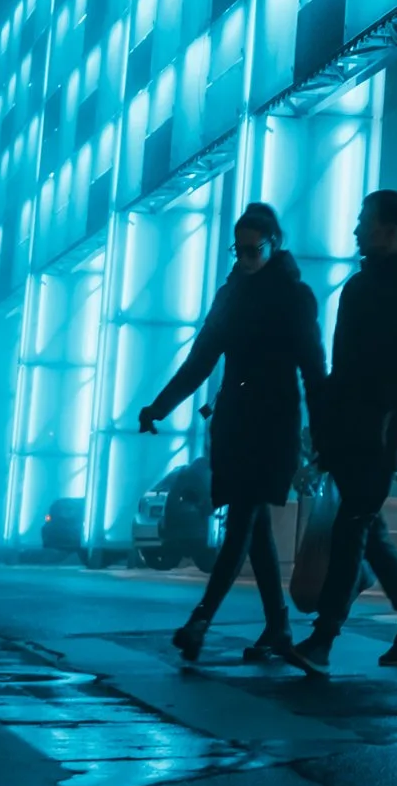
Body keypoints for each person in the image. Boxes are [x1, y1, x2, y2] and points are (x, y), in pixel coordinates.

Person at [140, 201, 327, 664]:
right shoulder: (232, 296)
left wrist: (323, 428)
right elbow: (200, 360)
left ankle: (200, 620)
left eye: (252, 249)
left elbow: (312, 367)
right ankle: (279, 627)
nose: (243, 258)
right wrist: (158, 407)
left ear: (273, 244)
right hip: (237, 425)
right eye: (237, 250)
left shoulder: (292, 297)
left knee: (243, 519)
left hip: (270, 426)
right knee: (253, 526)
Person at [290, 187, 397, 674]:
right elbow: (340, 366)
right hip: (351, 426)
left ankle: (323, 638)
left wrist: (381, 402)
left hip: (380, 432)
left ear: (390, 228)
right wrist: (326, 427)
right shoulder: (357, 288)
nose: (356, 228)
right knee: (365, 527)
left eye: (364, 220)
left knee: (352, 526)